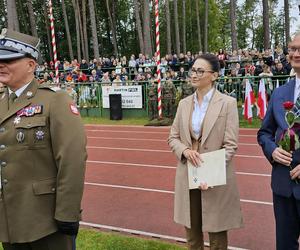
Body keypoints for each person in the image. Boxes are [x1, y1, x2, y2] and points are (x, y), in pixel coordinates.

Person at [0, 28, 87, 249]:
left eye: (9, 59)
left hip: (45, 221)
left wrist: (67, 213)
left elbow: (72, 158)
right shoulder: (1, 103)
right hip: (9, 220)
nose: (1, 64)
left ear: (31, 65)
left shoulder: (54, 101)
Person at [168, 53, 243, 250]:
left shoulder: (227, 103)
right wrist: (184, 150)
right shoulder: (184, 104)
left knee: (217, 236)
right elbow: (173, 137)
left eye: (200, 71)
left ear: (214, 75)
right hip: (187, 175)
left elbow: (231, 145)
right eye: (193, 70)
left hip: (215, 177)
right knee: (192, 235)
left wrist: (208, 174)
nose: (194, 74)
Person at [257, 33, 300, 250]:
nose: (295, 53)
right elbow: (264, 133)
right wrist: (272, 150)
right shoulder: (279, 93)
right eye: (292, 48)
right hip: (283, 185)